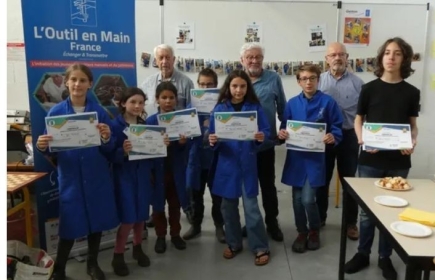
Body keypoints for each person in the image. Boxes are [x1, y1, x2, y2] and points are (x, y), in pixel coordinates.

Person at [345, 37, 420, 280]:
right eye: (387, 52)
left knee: (391, 210)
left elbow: (412, 125)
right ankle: (363, 253)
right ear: (381, 58)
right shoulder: (368, 88)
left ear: (404, 59)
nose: (391, 57)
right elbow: (359, 120)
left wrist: (412, 142)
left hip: (398, 160)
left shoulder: (411, 92)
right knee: (367, 212)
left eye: (397, 53)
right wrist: (362, 139)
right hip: (370, 157)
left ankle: (384, 257)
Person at [36, 63, 119, 280]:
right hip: (71, 178)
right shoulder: (56, 112)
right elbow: (50, 149)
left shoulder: (99, 111)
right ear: (66, 82)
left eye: (82, 80)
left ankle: (92, 264)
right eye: (73, 79)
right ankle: (60, 269)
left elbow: (110, 149)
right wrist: (41, 146)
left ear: (90, 84)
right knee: (70, 224)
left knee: (96, 222)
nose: (77, 84)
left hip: (96, 176)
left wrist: (107, 137)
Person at [278, 64, 343, 253]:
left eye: (312, 78)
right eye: (304, 78)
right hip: (296, 159)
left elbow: (337, 127)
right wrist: (282, 134)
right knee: (296, 200)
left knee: (307, 199)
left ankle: (314, 229)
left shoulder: (328, 102)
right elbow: (285, 127)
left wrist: (333, 136)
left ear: (318, 80)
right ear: (298, 81)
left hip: (315, 160)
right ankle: (301, 231)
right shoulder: (292, 103)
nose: (308, 82)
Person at [209, 70, 271, 266]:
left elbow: (266, 131)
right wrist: (212, 140)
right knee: (228, 208)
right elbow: (212, 135)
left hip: (247, 165)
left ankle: (260, 246)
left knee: (251, 208)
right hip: (227, 166)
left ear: (247, 88)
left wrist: (261, 137)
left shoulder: (255, 108)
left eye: (242, 86)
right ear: (228, 87)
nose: (238, 90)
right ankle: (234, 243)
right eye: (234, 86)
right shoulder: (220, 109)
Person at [109, 87, 169, 276]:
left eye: (141, 102)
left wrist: (162, 145)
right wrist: (122, 152)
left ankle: (137, 248)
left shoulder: (146, 126)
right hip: (124, 176)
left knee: (141, 216)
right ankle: (118, 255)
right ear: (123, 103)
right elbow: (108, 155)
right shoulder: (114, 126)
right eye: (133, 102)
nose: (137, 106)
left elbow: (153, 156)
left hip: (143, 175)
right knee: (128, 218)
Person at [141, 44, 194, 227]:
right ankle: (156, 215)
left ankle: (182, 211)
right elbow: (142, 110)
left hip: (178, 146)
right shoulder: (147, 83)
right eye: (160, 58)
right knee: (156, 185)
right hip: (155, 146)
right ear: (155, 61)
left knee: (177, 185)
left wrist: (183, 138)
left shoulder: (186, 82)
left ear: (174, 59)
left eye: (167, 57)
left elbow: (190, 112)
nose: (164, 61)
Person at [317, 42, 364, 240]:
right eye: (333, 55)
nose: (337, 58)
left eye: (341, 54)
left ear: (347, 57)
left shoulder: (358, 83)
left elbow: (364, 114)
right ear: (326, 59)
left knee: (349, 181)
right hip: (324, 138)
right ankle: (319, 219)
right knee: (322, 180)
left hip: (348, 137)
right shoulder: (318, 82)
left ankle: (350, 223)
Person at [239, 43, 286, 241]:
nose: (254, 60)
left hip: (266, 144)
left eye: (258, 57)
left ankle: (272, 223)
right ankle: (251, 222)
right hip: (242, 146)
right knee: (247, 187)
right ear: (242, 60)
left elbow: (283, 108)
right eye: (250, 57)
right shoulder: (237, 80)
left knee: (268, 186)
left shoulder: (273, 78)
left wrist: (285, 131)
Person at [146, 81, 190, 253]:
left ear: (176, 100)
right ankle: (160, 236)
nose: (168, 101)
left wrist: (182, 143)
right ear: (157, 99)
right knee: (158, 206)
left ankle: (176, 234)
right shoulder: (150, 121)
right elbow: (146, 148)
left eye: (171, 98)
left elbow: (188, 146)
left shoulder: (182, 120)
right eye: (164, 97)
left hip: (176, 169)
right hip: (157, 172)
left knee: (175, 204)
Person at [183, 68, 225, 243]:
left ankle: (219, 227)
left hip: (216, 159)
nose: (205, 87)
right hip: (196, 158)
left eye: (209, 84)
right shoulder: (190, 106)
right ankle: (196, 225)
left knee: (218, 196)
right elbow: (183, 128)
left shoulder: (223, 105)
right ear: (197, 84)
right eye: (202, 84)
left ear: (216, 86)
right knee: (195, 195)